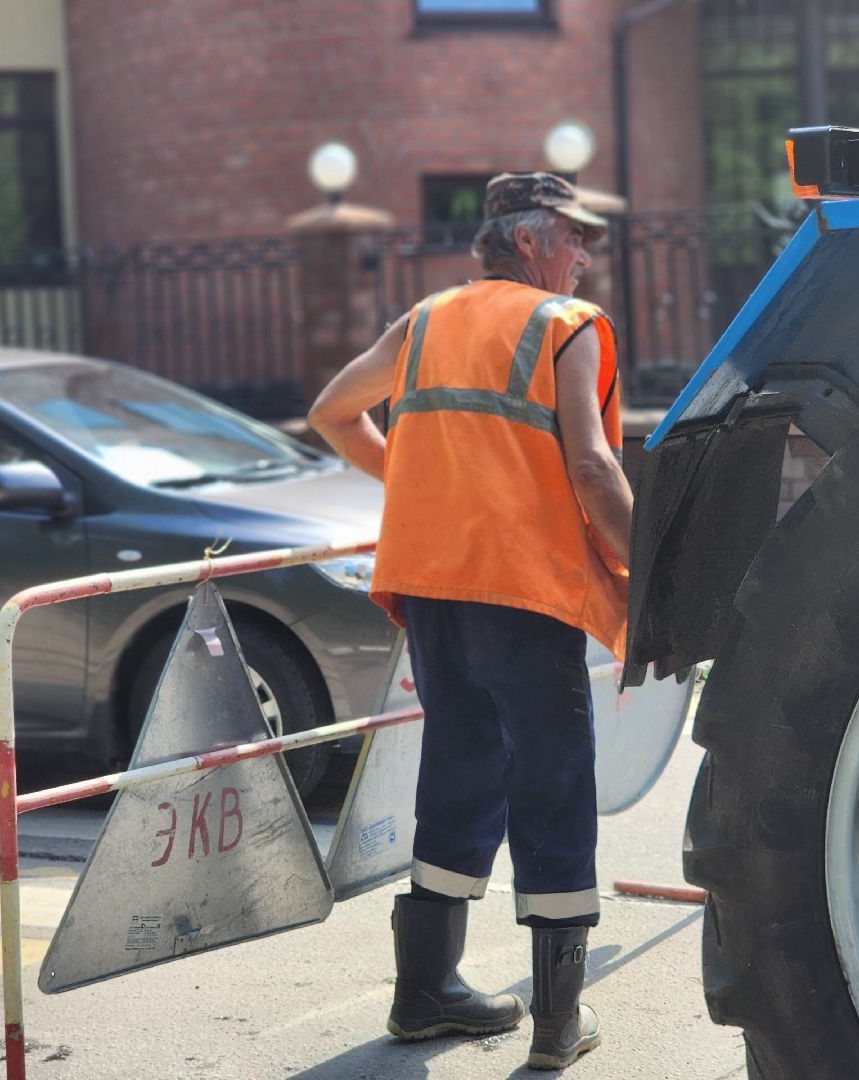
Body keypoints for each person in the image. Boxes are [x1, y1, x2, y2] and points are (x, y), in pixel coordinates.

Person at [307, 171, 632, 1070]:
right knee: (553, 783)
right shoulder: (561, 327)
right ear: (528, 241)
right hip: (523, 592)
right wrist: (649, 581)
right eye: (575, 235)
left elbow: (330, 413)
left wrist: (419, 490)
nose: (584, 253)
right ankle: (560, 1025)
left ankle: (424, 994)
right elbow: (596, 472)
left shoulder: (425, 321)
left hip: (436, 588)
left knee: (460, 762)